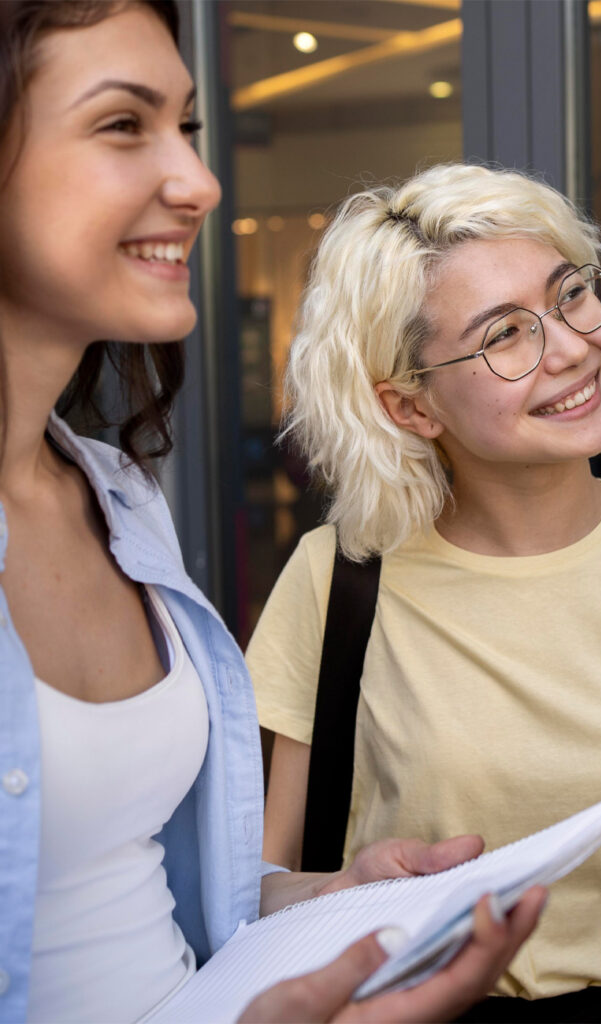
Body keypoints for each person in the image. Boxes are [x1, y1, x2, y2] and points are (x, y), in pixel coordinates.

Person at [0, 4, 543, 1023]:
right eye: (124, 125)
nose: (198, 183)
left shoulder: (116, 499)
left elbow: (117, 885)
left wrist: (325, 899)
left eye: (187, 129)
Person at [248, 161, 601, 1020]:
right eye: (506, 334)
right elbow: (256, 885)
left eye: (571, 294)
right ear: (411, 408)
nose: (574, 346)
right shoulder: (339, 577)